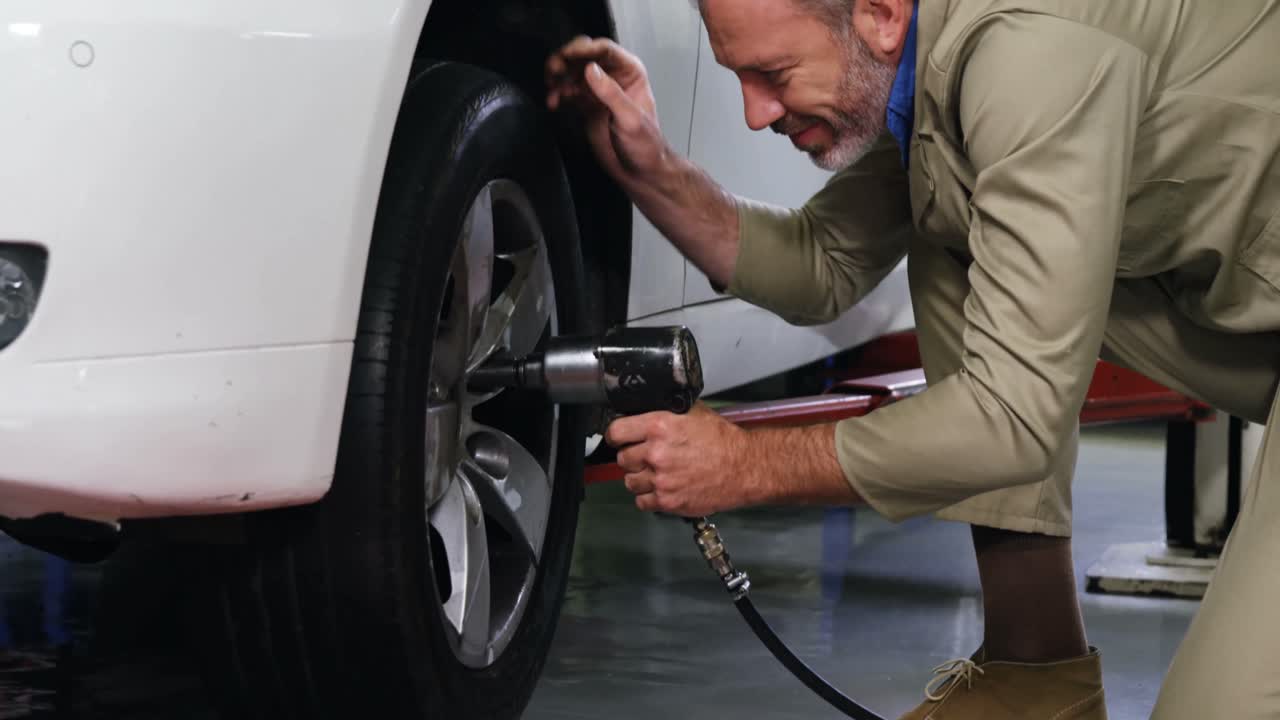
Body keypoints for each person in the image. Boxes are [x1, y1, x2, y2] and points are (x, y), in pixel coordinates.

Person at [545, 0, 1280, 718]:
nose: (755, 113)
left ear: (880, 14)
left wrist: (743, 463)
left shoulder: (1027, 52)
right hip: (1253, 317)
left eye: (773, 74)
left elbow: (1011, 421)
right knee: (949, 218)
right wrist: (648, 167)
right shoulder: (937, 62)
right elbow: (822, 261)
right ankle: (1034, 677)